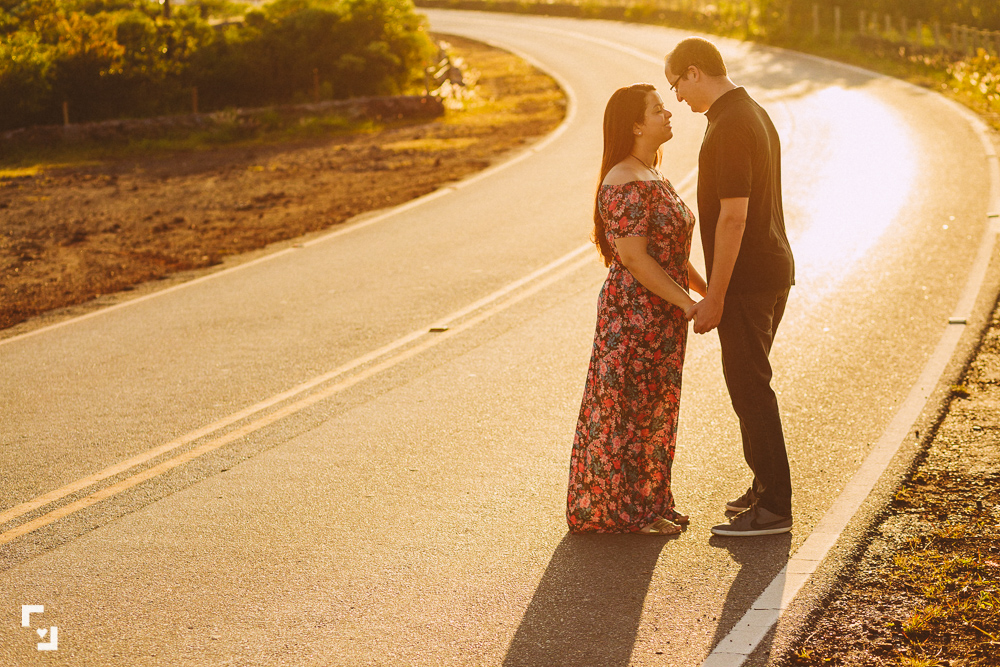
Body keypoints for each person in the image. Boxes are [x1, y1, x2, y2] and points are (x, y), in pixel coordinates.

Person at [664, 37, 796, 537]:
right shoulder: (748, 112)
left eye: (676, 84)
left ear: (694, 72)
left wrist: (715, 294)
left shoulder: (732, 126)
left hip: (747, 280)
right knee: (748, 384)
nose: (677, 97)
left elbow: (735, 218)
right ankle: (764, 486)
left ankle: (775, 508)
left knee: (749, 388)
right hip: (770, 271)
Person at [566, 83, 707, 536]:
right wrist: (688, 302)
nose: (668, 114)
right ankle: (625, 513)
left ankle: (651, 503)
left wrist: (711, 290)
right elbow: (633, 256)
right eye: (657, 109)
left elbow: (670, 251)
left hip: (660, 312)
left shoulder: (650, 173)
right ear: (635, 124)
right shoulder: (623, 179)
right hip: (633, 316)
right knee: (628, 414)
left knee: (655, 410)